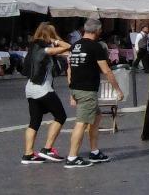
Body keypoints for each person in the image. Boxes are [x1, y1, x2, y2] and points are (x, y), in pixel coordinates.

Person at [65, 18, 121, 167]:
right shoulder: (95, 47)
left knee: (96, 117)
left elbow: (70, 69)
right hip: (87, 90)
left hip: (78, 88)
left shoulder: (74, 46)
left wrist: (72, 91)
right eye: (100, 30)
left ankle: (94, 152)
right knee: (81, 123)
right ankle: (72, 157)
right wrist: (117, 90)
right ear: (97, 30)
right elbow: (107, 70)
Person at [21, 23, 70, 165]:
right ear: (49, 35)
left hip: (30, 89)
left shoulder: (34, 48)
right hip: (42, 89)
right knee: (61, 116)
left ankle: (28, 154)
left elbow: (65, 52)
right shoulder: (44, 49)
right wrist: (55, 40)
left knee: (34, 122)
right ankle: (47, 149)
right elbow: (67, 46)